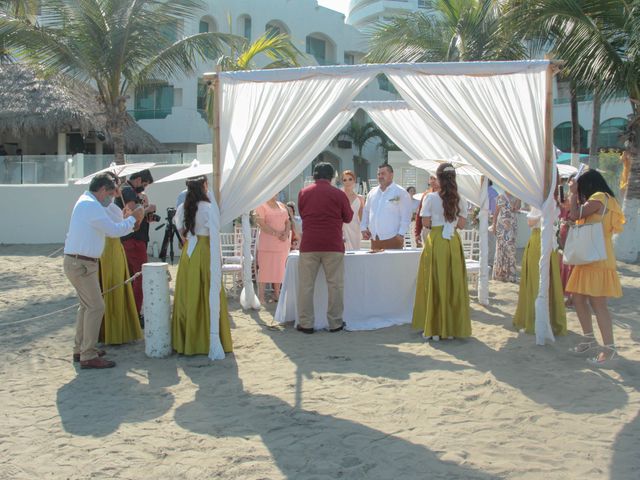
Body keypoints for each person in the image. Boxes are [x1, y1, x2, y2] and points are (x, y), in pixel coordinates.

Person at [63, 173, 144, 369]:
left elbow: (110, 218)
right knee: (96, 306)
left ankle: (81, 348)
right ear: (101, 190)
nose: (111, 197)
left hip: (79, 262)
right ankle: (88, 354)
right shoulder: (91, 206)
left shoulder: (87, 202)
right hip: (81, 264)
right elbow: (115, 231)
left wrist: (125, 210)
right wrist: (133, 219)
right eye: (110, 192)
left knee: (86, 306)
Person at [566, 169, 625, 366]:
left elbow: (574, 214)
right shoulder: (605, 199)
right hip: (590, 257)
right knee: (578, 299)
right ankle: (589, 339)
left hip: (597, 259)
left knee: (599, 305)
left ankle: (609, 349)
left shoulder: (600, 198)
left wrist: (574, 194)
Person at [172, 175, 233, 355]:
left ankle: (188, 337)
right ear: (204, 186)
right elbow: (215, 231)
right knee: (208, 289)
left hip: (189, 252)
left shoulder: (182, 208)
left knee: (189, 292)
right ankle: (208, 336)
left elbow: (182, 232)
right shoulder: (208, 208)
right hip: (206, 250)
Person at [412, 163, 471, 340]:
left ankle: (435, 327)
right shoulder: (461, 199)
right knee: (453, 282)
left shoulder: (430, 198)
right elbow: (461, 225)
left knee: (435, 281)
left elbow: (425, 222)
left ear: (439, 179)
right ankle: (451, 327)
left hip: (436, 241)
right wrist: (449, 223)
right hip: (452, 241)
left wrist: (438, 223)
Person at [297, 162, 353, 333]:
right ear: (331, 177)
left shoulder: (303, 193)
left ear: (314, 175)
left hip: (309, 244)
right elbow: (348, 218)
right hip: (333, 245)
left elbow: (302, 213)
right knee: (335, 285)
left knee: (306, 286)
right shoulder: (339, 194)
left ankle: (306, 323)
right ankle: (335, 323)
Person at [513, 184, 567, 336]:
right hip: (551, 242)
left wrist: (539, 213)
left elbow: (531, 223)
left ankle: (535, 320)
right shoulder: (556, 202)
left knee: (535, 280)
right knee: (550, 280)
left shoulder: (541, 202)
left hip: (539, 240)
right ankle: (551, 318)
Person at [99, 172, 143, 345]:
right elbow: (116, 229)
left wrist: (128, 218)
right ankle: (113, 330)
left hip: (114, 246)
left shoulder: (111, 207)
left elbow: (123, 227)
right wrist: (133, 217)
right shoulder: (105, 208)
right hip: (110, 247)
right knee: (112, 285)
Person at [115, 169, 156, 323]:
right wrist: (147, 209)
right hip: (133, 240)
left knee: (134, 276)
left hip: (131, 239)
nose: (144, 188)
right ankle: (135, 314)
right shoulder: (128, 191)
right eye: (144, 184)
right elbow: (132, 215)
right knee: (140, 275)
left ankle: (131, 312)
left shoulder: (128, 191)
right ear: (138, 180)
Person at [361, 164, 412, 250]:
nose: (380, 176)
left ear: (391, 175)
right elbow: (366, 212)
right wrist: (363, 227)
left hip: (393, 239)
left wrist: (400, 235)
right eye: (378, 174)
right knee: (376, 264)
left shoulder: (400, 192)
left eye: (383, 173)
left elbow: (406, 216)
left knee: (393, 264)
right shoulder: (372, 193)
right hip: (375, 240)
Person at [255, 194, 291, 304]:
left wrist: (285, 233)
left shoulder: (282, 205)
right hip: (267, 244)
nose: (276, 193)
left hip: (282, 244)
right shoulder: (261, 205)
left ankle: (277, 294)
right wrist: (276, 233)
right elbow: (261, 223)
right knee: (264, 270)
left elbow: (288, 221)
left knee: (279, 270)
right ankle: (261, 297)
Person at [491, 192, 521, 282]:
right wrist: (494, 225)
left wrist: (517, 200)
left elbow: (516, 208)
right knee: (500, 248)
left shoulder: (517, 196)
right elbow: (496, 212)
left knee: (510, 249)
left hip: (511, 226)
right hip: (501, 226)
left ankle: (510, 274)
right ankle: (500, 274)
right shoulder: (501, 196)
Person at [341, 170, 364, 251]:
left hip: (355, 230)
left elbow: (362, 218)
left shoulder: (360, 198)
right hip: (342, 229)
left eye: (350, 179)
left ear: (354, 180)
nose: (348, 182)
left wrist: (365, 231)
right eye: (345, 180)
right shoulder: (338, 196)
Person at [414, 175, 439, 248]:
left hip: (443, 231)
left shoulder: (446, 195)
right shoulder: (426, 194)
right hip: (428, 230)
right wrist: (417, 233)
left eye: (435, 178)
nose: (433, 181)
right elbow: (419, 215)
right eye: (431, 178)